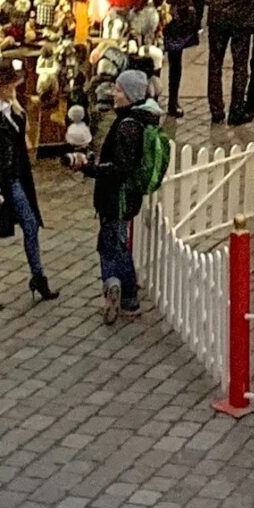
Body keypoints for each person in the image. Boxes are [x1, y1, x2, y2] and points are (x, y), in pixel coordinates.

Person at [0, 61, 52, 309]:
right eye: (10, 85)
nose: (14, 89)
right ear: (0, 88)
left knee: (30, 225)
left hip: (16, 179)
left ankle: (38, 276)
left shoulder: (16, 112)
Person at [91, 68, 160, 321]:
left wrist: (91, 169)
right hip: (125, 198)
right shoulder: (137, 120)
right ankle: (123, 291)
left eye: (119, 90)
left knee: (112, 247)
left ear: (130, 95)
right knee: (115, 242)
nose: (114, 93)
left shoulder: (127, 126)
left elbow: (119, 169)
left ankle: (121, 291)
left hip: (116, 198)